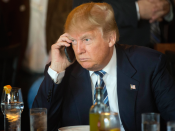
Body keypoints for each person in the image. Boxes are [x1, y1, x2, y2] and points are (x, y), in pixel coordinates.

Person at [32, 2, 175, 131]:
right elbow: (40, 125)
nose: (79, 50)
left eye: (86, 39)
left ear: (110, 38)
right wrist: (56, 70)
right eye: (74, 41)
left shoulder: (149, 64)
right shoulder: (64, 72)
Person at [73, 0, 174, 48]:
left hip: (166, 48)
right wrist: (137, 10)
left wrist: (168, 8)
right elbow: (84, 10)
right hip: (124, 54)